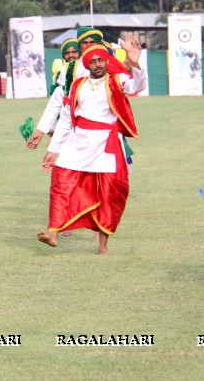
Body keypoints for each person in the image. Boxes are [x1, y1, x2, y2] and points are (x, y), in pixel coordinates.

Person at [38, 43, 140, 255]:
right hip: (79, 142)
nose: (97, 64)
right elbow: (66, 119)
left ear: (106, 61)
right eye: (92, 62)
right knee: (61, 182)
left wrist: (134, 61)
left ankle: (103, 245)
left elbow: (137, 85)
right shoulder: (77, 86)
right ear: (87, 65)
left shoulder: (116, 80)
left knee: (109, 194)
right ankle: (53, 232)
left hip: (107, 146)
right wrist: (53, 149)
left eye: (100, 60)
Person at [26, 38, 81, 150]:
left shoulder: (92, 72)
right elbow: (55, 106)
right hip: (69, 129)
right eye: (67, 53)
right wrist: (41, 131)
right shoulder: (62, 75)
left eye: (74, 52)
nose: (71, 55)